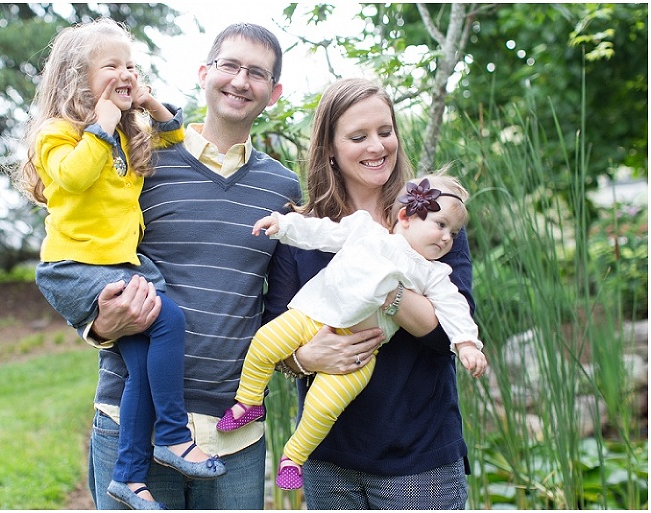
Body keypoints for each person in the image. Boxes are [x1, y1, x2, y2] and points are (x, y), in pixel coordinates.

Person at [82, 23, 323, 510]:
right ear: (204, 73)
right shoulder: (141, 163)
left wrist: (302, 357)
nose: (240, 81)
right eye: (229, 65)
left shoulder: (283, 190)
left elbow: (282, 307)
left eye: (256, 73)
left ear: (273, 94)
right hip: (135, 424)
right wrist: (95, 322)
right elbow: (88, 256)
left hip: (234, 433)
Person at [16, 18, 225, 510]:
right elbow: (73, 177)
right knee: (169, 319)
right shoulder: (58, 134)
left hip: (117, 264)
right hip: (76, 265)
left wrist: (147, 105)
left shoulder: (128, 133)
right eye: (110, 65)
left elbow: (174, 139)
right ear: (75, 79)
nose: (124, 72)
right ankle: (173, 436)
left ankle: (128, 476)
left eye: (130, 64)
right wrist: (105, 118)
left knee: (141, 368)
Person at [262, 78, 477, 509]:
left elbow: (445, 335)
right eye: (358, 137)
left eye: (385, 131)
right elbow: (274, 330)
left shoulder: (432, 220)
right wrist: (305, 358)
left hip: (419, 458)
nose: (376, 147)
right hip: (327, 457)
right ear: (330, 148)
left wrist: (386, 292)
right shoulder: (303, 230)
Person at [217, 173, 488, 490]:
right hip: (312, 317)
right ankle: (249, 402)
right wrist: (285, 225)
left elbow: (455, 308)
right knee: (264, 342)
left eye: (453, 233)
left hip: (360, 354)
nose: (447, 238)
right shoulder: (366, 231)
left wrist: (468, 343)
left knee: (325, 406)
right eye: (440, 225)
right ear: (405, 216)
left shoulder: (434, 273)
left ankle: (293, 457)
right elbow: (322, 233)